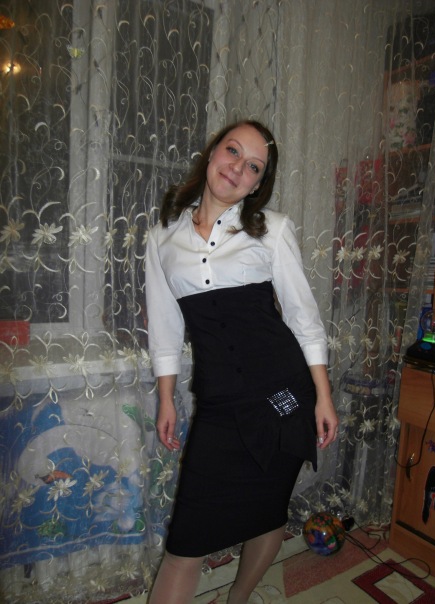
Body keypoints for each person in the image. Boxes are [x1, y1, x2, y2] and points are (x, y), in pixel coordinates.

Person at [145, 120, 338, 604]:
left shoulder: (272, 230)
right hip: (219, 404)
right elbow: (165, 328)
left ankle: (238, 599)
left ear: (257, 184)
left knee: (267, 514)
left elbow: (303, 319)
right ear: (213, 152)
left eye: (253, 166)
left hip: (284, 397)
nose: (238, 168)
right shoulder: (163, 237)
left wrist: (324, 397)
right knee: (184, 542)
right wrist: (166, 398)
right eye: (233, 151)